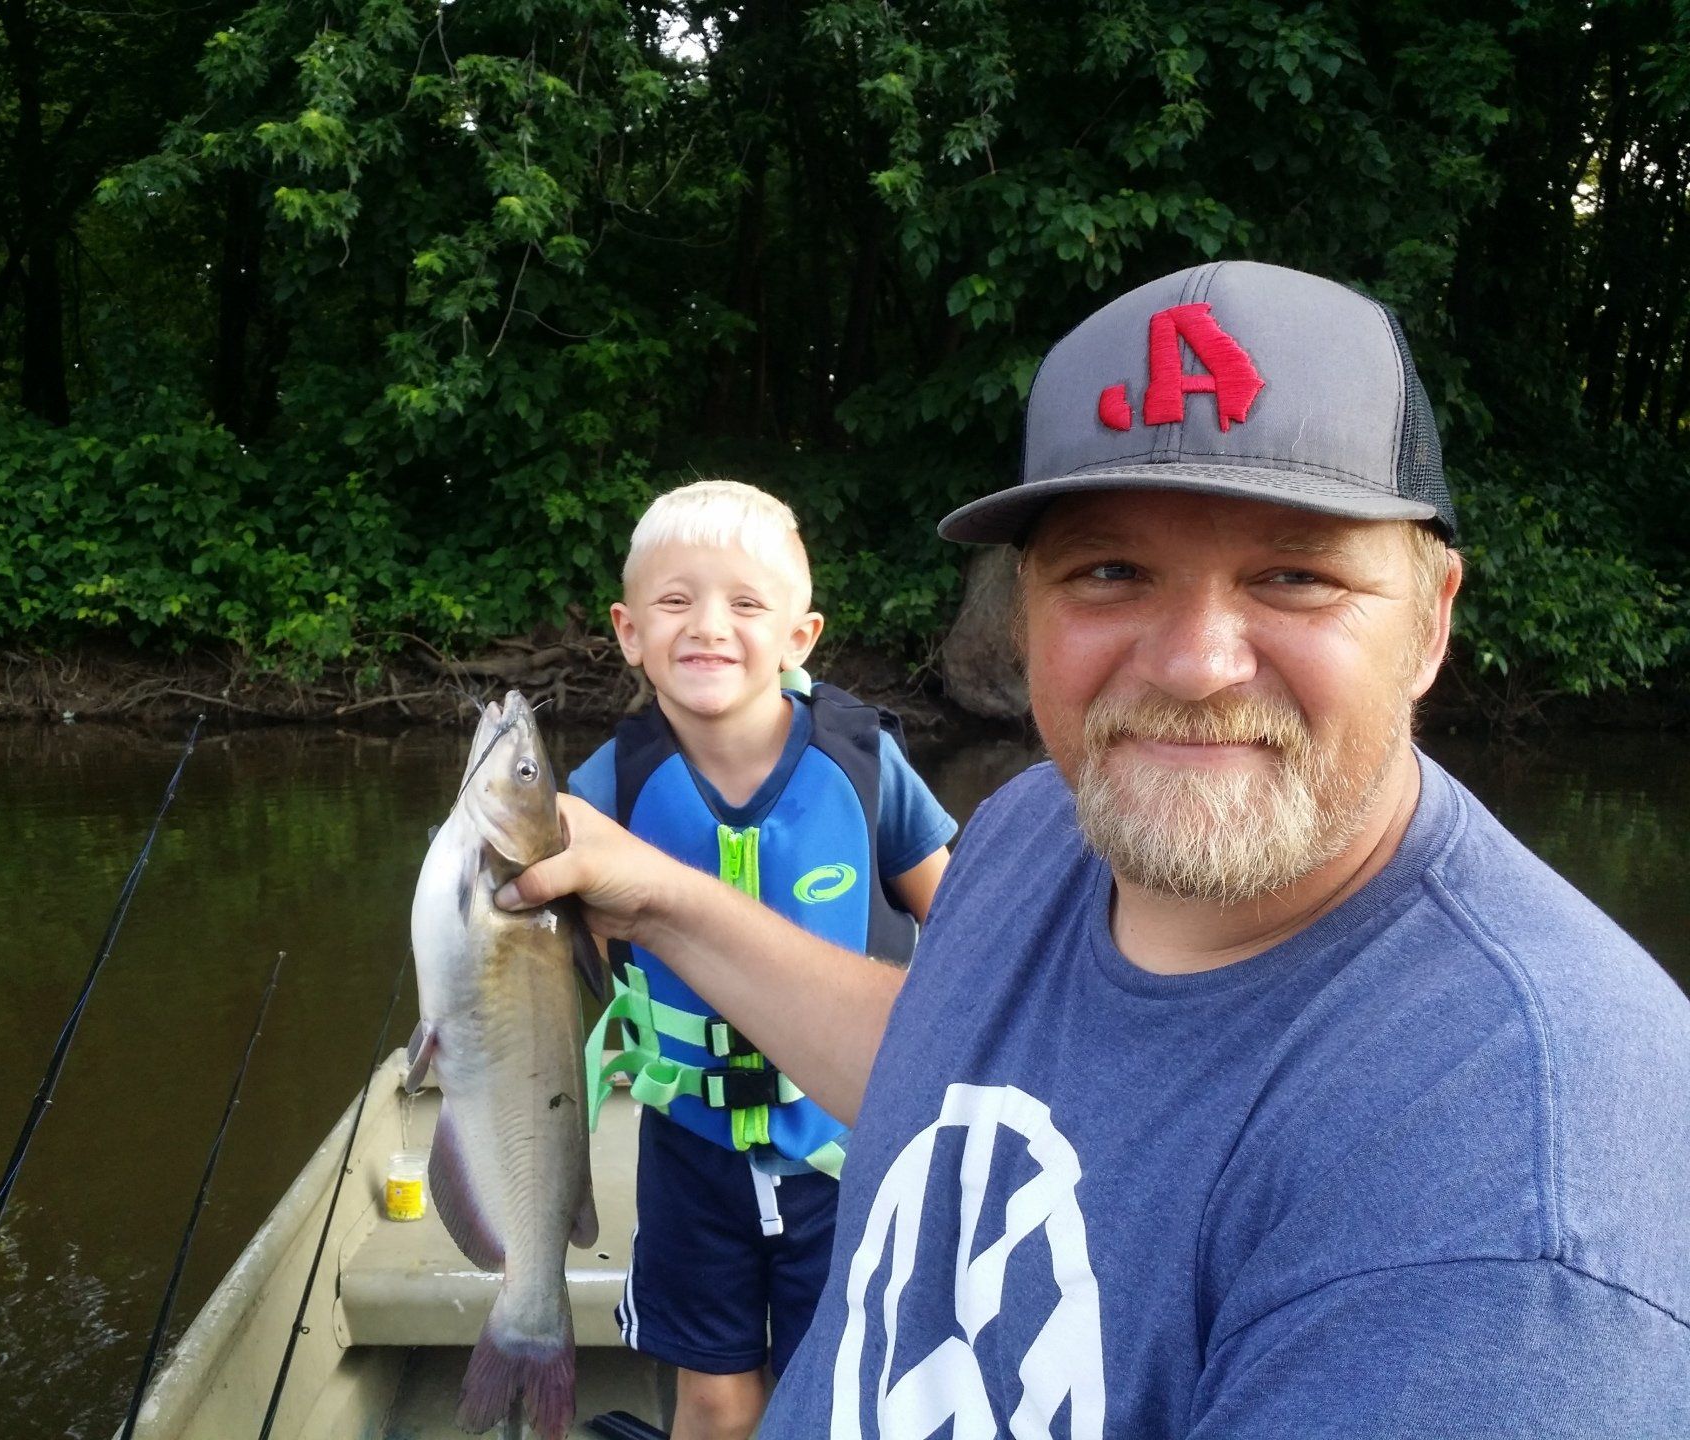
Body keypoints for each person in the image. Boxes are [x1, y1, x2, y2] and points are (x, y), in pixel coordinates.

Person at [508, 261, 1690, 1436]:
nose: (1192, 662)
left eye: (1295, 575)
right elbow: (941, 1072)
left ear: (1429, 624)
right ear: (1025, 612)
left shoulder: (1512, 1210)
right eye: (1111, 572)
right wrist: (659, 898)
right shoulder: (1044, 825)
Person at [569, 479, 956, 1440]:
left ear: (799, 637)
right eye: (675, 601)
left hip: (851, 1153)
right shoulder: (601, 786)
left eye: (746, 604)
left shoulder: (862, 761)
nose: (709, 626)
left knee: (841, 1384)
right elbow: (529, 926)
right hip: (691, 1150)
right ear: (628, 631)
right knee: (714, 1398)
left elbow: (960, 925)